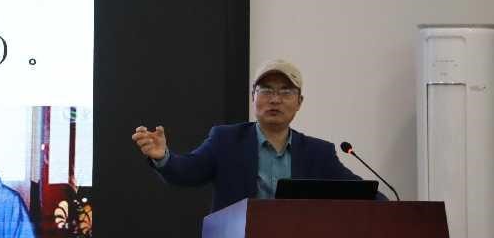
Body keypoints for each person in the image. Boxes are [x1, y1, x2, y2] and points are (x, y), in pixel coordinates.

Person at [132, 59, 382, 212]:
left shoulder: (318, 153)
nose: (275, 99)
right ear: (253, 97)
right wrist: (163, 156)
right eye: (266, 90)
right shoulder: (225, 140)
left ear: (299, 102)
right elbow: (188, 172)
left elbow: (362, 192)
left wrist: (398, 210)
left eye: (286, 92)